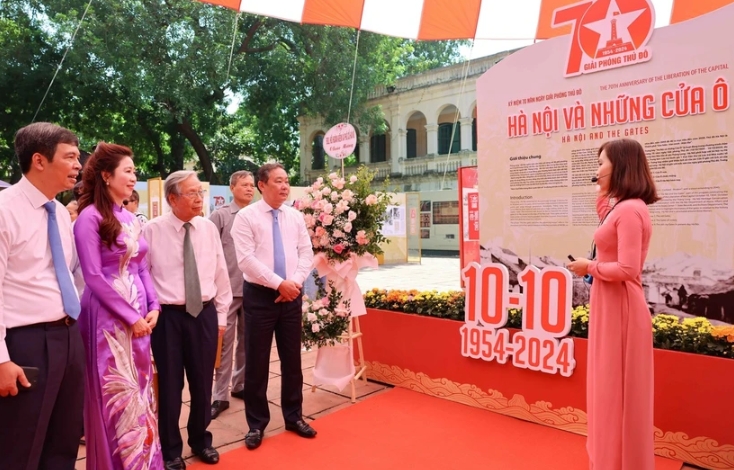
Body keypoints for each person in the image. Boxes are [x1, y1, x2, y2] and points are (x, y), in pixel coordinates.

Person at [567, 138, 659, 470]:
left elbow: (628, 269)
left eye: (601, 163)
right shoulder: (622, 207)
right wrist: (603, 195)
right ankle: (609, 459)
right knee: (608, 391)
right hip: (609, 305)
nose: (596, 171)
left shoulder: (632, 209)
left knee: (617, 393)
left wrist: (587, 267)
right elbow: (608, 230)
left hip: (621, 307)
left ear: (619, 166)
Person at [74, 142, 164, 469]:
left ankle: (145, 461)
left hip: (140, 318)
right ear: (106, 176)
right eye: (128, 171)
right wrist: (130, 316)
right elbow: (94, 276)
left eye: (134, 171)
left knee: (142, 392)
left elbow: (141, 266)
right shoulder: (89, 218)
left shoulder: (130, 217)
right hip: (106, 321)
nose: (133, 177)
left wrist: (153, 306)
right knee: (116, 395)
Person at [0, 122, 85, 469]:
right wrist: (1, 359)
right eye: (71, 157)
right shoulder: (5, 210)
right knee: (21, 444)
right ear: (39, 160)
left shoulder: (60, 214)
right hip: (26, 343)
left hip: (68, 336)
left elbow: (69, 275)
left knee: (63, 440)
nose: (79, 166)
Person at [143, 171, 232, 469]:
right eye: (192, 193)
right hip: (168, 318)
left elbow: (221, 273)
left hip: (204, 315)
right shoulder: (152, 231)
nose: (199, 199)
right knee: (169, 386)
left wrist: (221, 315)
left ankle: (200, 440)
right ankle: (170, 450)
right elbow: (143, 276)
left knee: (202, 382)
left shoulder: (207, 228)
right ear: (172, 198)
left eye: (200, 193)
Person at [231, 162, 316, 450]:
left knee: (293, 361)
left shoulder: (294, 216)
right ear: (261, 185)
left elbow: (306, 252)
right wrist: (278, 283)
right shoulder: (246, 217)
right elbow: (246, 260)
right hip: (259, 295)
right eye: (278, 181)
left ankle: (294, 417)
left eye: (286, 181)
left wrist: (293, 282)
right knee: (257, 363)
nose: (284, 186)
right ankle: (256, 424)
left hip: (291, 294)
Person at [210, 170, 255, 419]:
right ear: (232, 188)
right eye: (244, 185)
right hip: (226, 292)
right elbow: (207, 251)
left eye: (251, 185)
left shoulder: (258, 216)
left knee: (248, 343)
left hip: (253, 289)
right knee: (224, 345)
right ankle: (219, 396)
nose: (249, 189)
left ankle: (240, 386)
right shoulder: (221, 216)